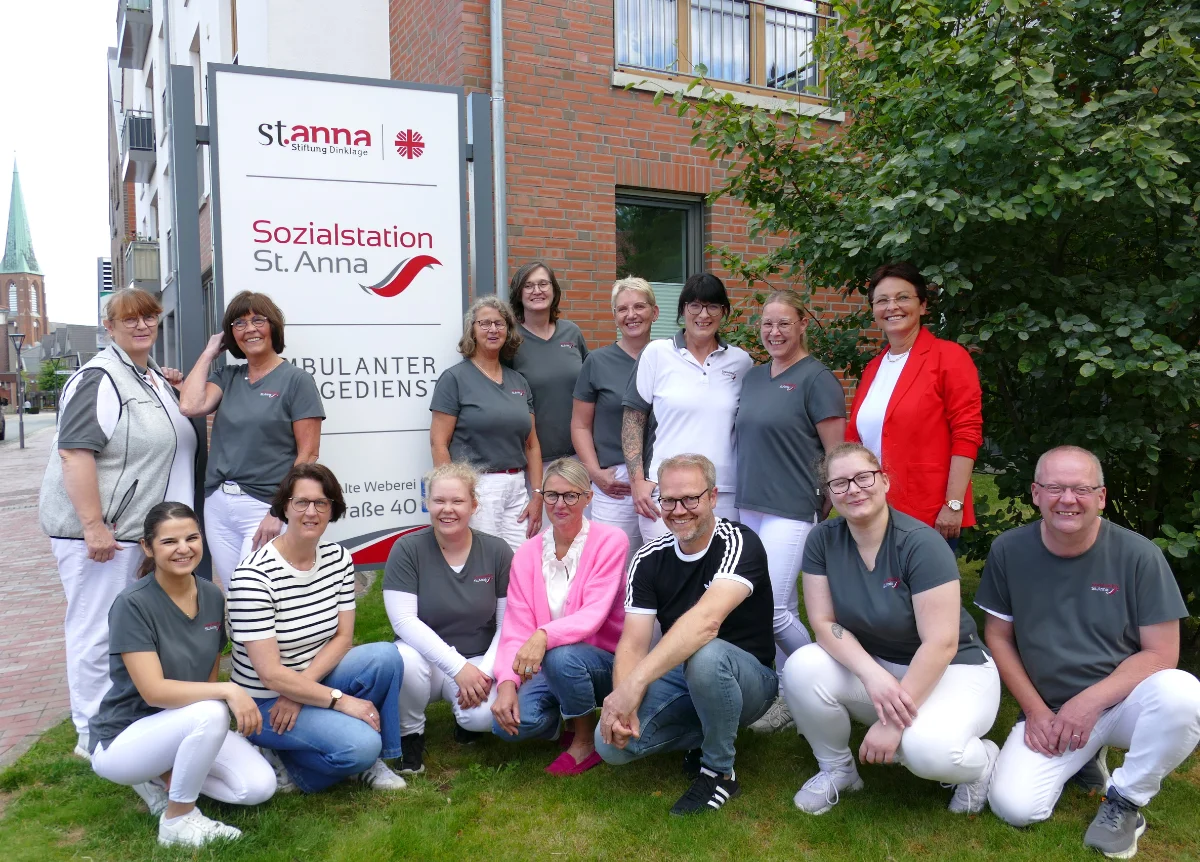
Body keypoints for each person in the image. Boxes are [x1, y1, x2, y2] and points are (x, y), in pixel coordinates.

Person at [977, 445, 1200, 858]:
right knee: (1015, 808)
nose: (1068, 499)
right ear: (1035, 493)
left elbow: (1161, 654)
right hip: (1051, 711)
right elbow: (999, 637)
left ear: (1101, 497)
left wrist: (1088, 703)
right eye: (1055, 488)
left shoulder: (1139, 555)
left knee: (1185, 693)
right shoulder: (1009, 550)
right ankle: (1084, 757)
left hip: (1125, 703)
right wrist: (1035, 711)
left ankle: (1126, 801)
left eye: (1081, 489)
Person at [782, 442, 1000, 816]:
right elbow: (823, 622)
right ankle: (838, 770)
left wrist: (893, 724)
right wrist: (872, 675)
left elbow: (942, 642)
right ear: (829, 493)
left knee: (925, 751)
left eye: (863, 478)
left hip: (952, 669)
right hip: (881, 667)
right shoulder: (823, 539)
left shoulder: (920, 543)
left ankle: (982, 765)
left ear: (884, 481)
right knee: (801, 667)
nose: (853, 489)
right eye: (839, 483)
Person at [39, 287, 203, 759]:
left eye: (148, 317)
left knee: (129, 631)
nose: (141, 325)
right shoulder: (100, 378)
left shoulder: (147, 375)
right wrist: (94, 525)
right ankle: (92, 736)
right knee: (97, 631)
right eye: (128, 319)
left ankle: (126, 722)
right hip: (105, 536)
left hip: (138, 532)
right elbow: (75, 453)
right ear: (109, 327)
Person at [595, 454, 776, 816]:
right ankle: (709, 732)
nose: (679, 511)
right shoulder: (648, 558)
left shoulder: (739, 542)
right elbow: (633, 642)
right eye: (669, 500)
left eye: (691, 498)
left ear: (713, 497)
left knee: (706, 654)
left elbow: (706, 622)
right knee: (610, 745)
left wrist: (636, 684)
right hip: (683, 675)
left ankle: (718, 771)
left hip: (750, 680)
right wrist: (624, 701)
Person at [89, 503, 275, 847]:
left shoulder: (212, 595)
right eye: (169, 541)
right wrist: (230, 692)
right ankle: (178, 819)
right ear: (147, 547)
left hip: (185, 723)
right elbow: (154, 692)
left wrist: (215, 700)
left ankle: (167, 775)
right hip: (124, 737)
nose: (183, 548)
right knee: (213, 709)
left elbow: (207, 678)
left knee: (258, 788)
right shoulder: (132, 604)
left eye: (191, 538)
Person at [228, 462, 407, 793]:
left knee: (385, 656)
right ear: (284, 507)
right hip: (265, 703)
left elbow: (343, 638)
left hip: (309, 683)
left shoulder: (338, 558)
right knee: (361, 746)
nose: (311, 512)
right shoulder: (253, 576)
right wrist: (339, 700)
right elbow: (270, 674)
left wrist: (302, 694)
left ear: (332, 509)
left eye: (321, 503)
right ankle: (286, 762)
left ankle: (367, 757)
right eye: (301, 502)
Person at [736, 289, 847, 734]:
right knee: (764, 603)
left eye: (784, 323)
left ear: (803, 324)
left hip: (792, 507)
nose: (774, 331)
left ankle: (819, 680)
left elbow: (836, 453)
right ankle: (792, 692)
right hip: (750, 506)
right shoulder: (754, 377)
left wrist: (827, 501)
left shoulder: (817, 379)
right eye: (767, 323)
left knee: (775, 610)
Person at [178, 291, 325, 591]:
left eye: (258, 320)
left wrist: (279, 510)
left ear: (273, 326)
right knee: (236, 593)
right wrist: (209, 353)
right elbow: (190, 406)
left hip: (264, 506)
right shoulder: (228, 376)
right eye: (240, 323)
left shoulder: (296, 380)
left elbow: (308, 454)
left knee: (257, 591)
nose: (250, 329)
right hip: (219, 506)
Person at [491, 458, 628, 775]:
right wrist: (507, 684)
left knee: (562, 657)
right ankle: (564, 718)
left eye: (571, 495)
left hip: (604, 664)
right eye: (551, 495)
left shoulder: (611, 541)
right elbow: (515, 627)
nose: (560, 504)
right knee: (507, 726)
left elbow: (593, 615)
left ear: (588, 497)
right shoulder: (527, 553)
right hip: (549, 666)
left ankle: (585, 741)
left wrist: (543, 635)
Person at [383, 462, 514, 775]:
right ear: (427, 503)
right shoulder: (407, 549)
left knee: (482, 717)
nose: (447, 509)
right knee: (403, 659)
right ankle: (410, 737)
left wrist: (481, 674)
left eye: (457, 501)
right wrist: (458, 668)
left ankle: (465, 722)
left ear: (473, 505)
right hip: (424, 662)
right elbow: (404, 622)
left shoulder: (497, 551)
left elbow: (507, 623)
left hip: (478, 660)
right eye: (439, 500)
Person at [846, 262, 983, 547]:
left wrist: (954, 503)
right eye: (882, 300)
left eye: (902, 297)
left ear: (922, 306)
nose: (892, 306)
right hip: (873, 511)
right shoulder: (873, 369)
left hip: (928, 512)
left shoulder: (949, 357)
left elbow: (967, 434)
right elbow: (855, 439)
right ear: (874, 310)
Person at [622, 273, 752, 542]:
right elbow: (633, 420)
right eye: (695, 306)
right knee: (665, 564)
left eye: (713, 306)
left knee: (721, 565)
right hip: (665, 490)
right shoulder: (656, 353)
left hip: (723, 492)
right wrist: (637, 482)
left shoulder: (741, 362)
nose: (703, 314)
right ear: (682, 310)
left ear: (724, 312)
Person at [430, 296, 543, 550]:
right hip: (478, 487)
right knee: (483, 562)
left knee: (520, 562)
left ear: (508, 330)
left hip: (517, 488)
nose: (493, 329)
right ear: (472, 330)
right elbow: (439, 443)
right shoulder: (454, 379)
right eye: (485, 323)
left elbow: (532, 445)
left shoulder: (519, 382)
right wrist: (454, 495)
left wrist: (537, 494)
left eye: (499, 323)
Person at [571, 277, 660, 558]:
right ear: (614, 317)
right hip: (616, 484)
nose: (631, 315)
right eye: (622, 309)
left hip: (661, 477)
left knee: (660, 562)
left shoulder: (668, 358)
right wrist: (595, 473)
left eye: (639, 307)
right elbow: (580, 425)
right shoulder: (597, 362)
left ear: (655, 312)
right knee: (612, 562)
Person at [506, 261, 589, 479]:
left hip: (578, 456)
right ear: (519, 293)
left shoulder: (572, 333)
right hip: (531, 461)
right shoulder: (510, 340)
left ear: (554, 289)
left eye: (543, 284)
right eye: (528, 285)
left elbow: (589, 389)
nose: (537, 291)